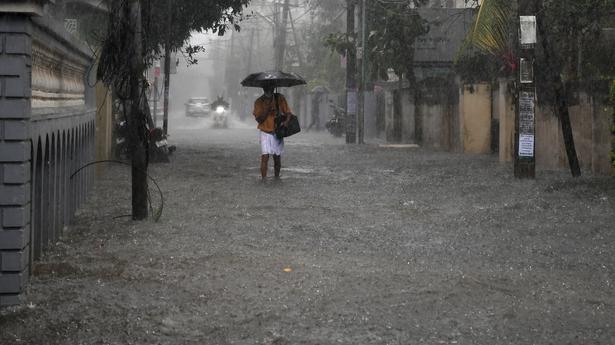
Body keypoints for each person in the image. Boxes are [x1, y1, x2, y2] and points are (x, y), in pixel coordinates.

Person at [252, 83, 292, 181]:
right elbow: (259, 119)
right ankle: (264, 179)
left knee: (277, 157)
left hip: (278, 132)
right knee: (265, 156)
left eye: (271, 88)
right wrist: (268, 110)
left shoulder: (280, 98)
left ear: (274, 88)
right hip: (265, 132)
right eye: (267, 87)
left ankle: (277, 178)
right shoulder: (259, 101)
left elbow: (288, 113)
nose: (269, 89)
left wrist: (286, 123)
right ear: (263, 88)